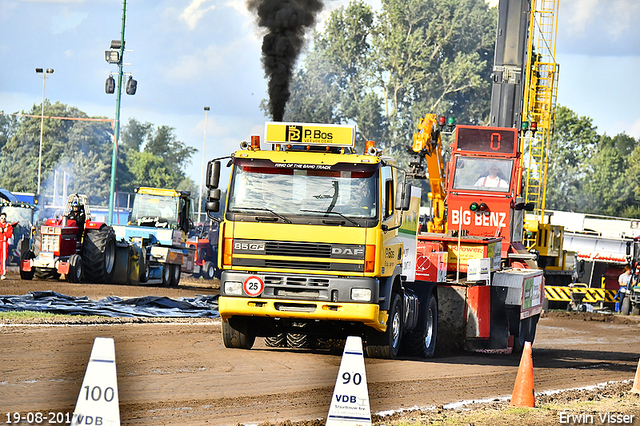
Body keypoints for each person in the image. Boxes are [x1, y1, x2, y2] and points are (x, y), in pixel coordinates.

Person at [0, 212, 13, 280]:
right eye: (1, 218)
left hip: (4, 243)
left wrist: (4, 231)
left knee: (3, 259)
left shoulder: (8, 226)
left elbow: (9, 235)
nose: (3, 219)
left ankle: (2, 273)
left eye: (4, 218)